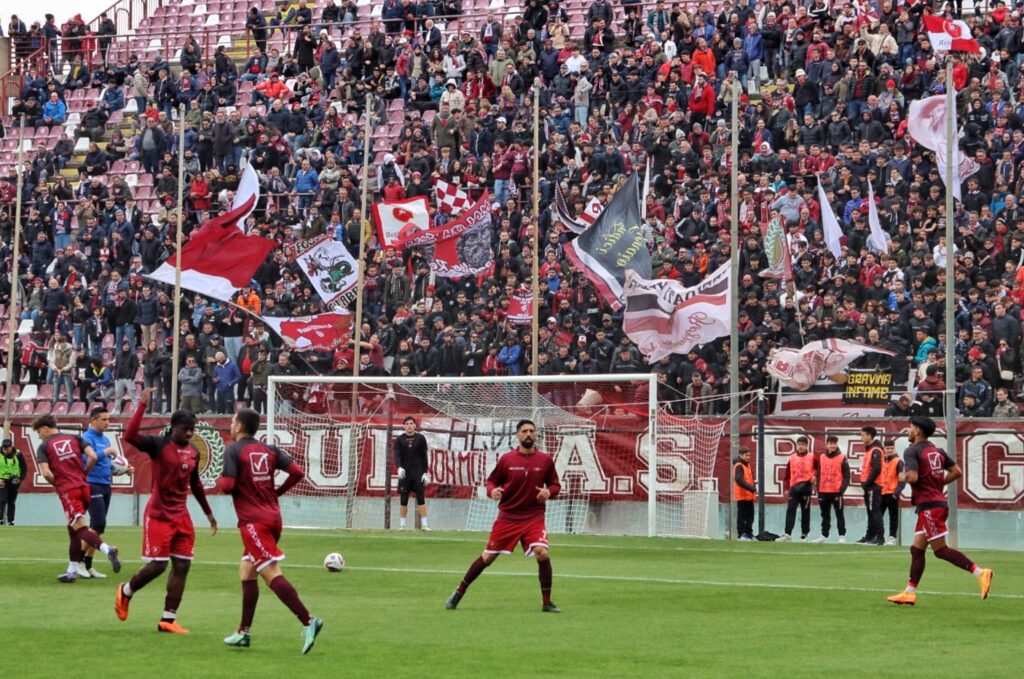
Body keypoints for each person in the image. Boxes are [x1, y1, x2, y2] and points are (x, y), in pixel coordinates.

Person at [217, 408, 323, 653]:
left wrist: (220, 482)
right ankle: (243, 632)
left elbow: (228, 485)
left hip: (253, 522)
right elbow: (297, 472)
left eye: (233, 421)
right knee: (247, 571)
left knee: (270, 572)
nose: (231, 425)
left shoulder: (233, 450)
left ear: (239, 426)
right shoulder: (269, 449)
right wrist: (277, 492)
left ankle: (309, 621)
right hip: (273, 518)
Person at [115, 389, 218, 634]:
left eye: (192, 429)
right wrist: (142, 405)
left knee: (182, 566)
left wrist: (208, 513)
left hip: (182, 516)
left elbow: (195, 484)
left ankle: (168, 620)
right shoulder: (158, 444)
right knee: (159, 566)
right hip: (159, 514)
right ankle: (126, 591)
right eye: (185, 429)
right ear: (173, 427)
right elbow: (130, 436)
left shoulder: (193, 451)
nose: (190, 433)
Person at [445, 419, 561, 612]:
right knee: (488, 557)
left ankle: (547, 602)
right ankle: (459, 592)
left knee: (542, 552)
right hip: (508, 517)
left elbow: (555, 485)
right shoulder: (507, 460)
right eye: (524, 431)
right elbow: (491, 481)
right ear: (517, 435)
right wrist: (492, 491)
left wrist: (549, 491)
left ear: (536, 435)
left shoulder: (545, 460)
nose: (528, 434)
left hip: (533, 517)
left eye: (531, 431)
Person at [887, 416, 993, 606]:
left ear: (918, 431)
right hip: (933, 505)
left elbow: (913, 477)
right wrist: (937, 485)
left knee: (941, 550)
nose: (908, 430)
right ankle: (909, 593)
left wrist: (902, 476)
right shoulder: (937, 451)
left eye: (910, 427)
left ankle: (980, 572)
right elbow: (957, 471)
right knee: (917, 549)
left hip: (930, 507)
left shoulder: (912, 450)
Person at [31, 415, 122, 582]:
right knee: (72, 528)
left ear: (45, 428)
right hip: (85, 487)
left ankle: (107, 550)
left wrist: (58, 484)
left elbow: (46, 473)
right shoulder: (75, 438)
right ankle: (71, 571)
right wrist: (84, 474)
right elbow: (93, 456)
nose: (39, 436)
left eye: (38, 432)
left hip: (68, 490)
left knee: (80, 528)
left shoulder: (44, 446)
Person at [80, 407, 132, 578]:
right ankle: (77, 561)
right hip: (91, 484)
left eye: (108, 419)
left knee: (98, 528)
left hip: (105, 485)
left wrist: (123, 470)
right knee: (98, 523)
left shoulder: (105, 439)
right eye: (103, 419)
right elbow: (88, 459)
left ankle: (87, 566)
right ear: (93, 420)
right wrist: (106, 452)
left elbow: (107, 465)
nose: (107, 422)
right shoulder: (86, 438)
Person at [393, 416, 431, 530]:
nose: (409, 426)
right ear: (404, 426)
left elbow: (424, 457)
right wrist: (399, 468)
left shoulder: (421, 438)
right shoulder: (399, 439)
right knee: (403, 499)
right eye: (407, 424)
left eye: (411, 423)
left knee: (421, 498)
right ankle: (402, 525)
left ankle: (425, 525)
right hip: (405, 474)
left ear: (415, 425)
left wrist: (425, 472)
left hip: (418, 474)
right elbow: (397, 455)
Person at [812, 435, 850, 544]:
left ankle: (842, 536)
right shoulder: (821, 457)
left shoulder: (842, 457)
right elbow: (818, 474)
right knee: (825, 515)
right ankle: (824, 536)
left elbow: (847, 475)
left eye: (834, 443)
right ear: (826, 444)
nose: (832, 445)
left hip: (836, 492)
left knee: (839, 514)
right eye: (830, 443)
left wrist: (841, 490)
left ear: (837, 444)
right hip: (823, 491)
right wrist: (818, 489)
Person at [777, 436, 814, 541]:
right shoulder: (792, 457)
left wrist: (815, 476)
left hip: (806, 488)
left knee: (805, 511)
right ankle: (787, 534)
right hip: (794, 488)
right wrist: (786, 487)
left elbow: (818, 469)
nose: (801, 446)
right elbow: (787, 474)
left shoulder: (812, 457)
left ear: (806, 446)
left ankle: (804, 534)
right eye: (799, 444)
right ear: (796, 446)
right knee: (790, 510)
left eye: (803, 444)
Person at [856, 426, 884, 545]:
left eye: (863, 435)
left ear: (869, 436)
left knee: (875, 511)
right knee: (870, 511)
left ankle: (880, 538)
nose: (861, 438)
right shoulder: (869, 449)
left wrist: (867, 482)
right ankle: (869, 536)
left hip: (874, 486)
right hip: (869, 486)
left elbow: (876, 469)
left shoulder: (876, 450)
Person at [880, 439, 904, 546]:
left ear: (894, 448)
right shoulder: (881, 461)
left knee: (893, 517)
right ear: (884, 449)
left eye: (891, 448)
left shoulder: (899, 462)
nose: (889, 450)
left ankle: (892, 537)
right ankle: (878, 536)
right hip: (881, 493)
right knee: (877, 516)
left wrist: (896, 493)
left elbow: (902, 480)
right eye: (887, 448)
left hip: (892, 494)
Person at [0, 439, 27, 525]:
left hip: (14, 481)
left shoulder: (18, 454)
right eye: (4, 449)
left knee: (11, 501)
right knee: (2, 500)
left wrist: (20, 479)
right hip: (2, 480)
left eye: (7, 449)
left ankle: (11, 521)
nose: (5, 451)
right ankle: (0, 520)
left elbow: (24, 467)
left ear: (11, 447)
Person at [733, 446, 756, 541]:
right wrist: (751, 488)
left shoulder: (747, 465)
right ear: (741, 455)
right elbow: (739, 480)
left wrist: (752, 490)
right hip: (742, 495)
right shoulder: (739, 465)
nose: (748, 457)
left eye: (749, 455)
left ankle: (749, 533)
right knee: (742, 516)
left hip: (749, 496)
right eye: (746, 455)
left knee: (750, 516)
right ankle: (742, 534)